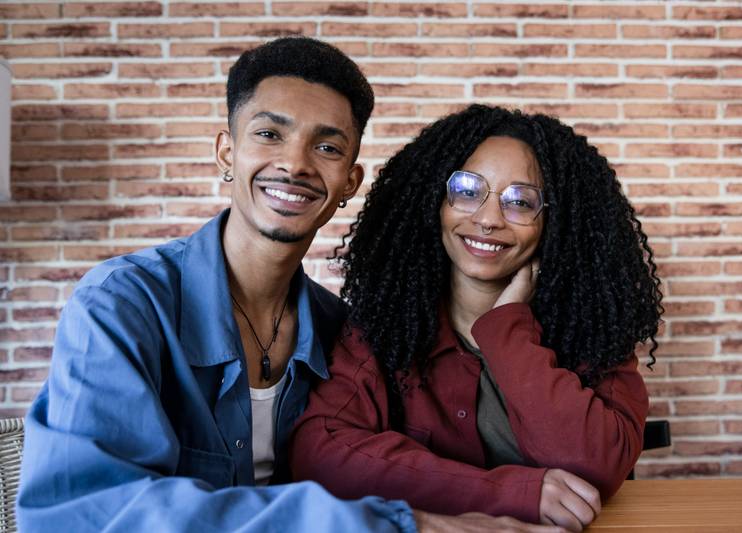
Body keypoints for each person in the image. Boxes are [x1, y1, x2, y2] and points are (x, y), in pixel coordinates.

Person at [16, 39, 560, 533]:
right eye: (270, 134)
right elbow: (86, 514)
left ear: (350, 179)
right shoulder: (122, 305)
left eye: (326, 147)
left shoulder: (338, 329)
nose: (295, 164)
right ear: (227, 152)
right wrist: (402, 524)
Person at [290, 104, 663, 532]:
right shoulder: (385, 326)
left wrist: (507, 328)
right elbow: (320, 452)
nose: (487, 219)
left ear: (554, 223)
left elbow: (597, 466)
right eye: (467, 190)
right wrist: (505, 492)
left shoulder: (593, 331)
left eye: (520, 201)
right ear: (435, 200)